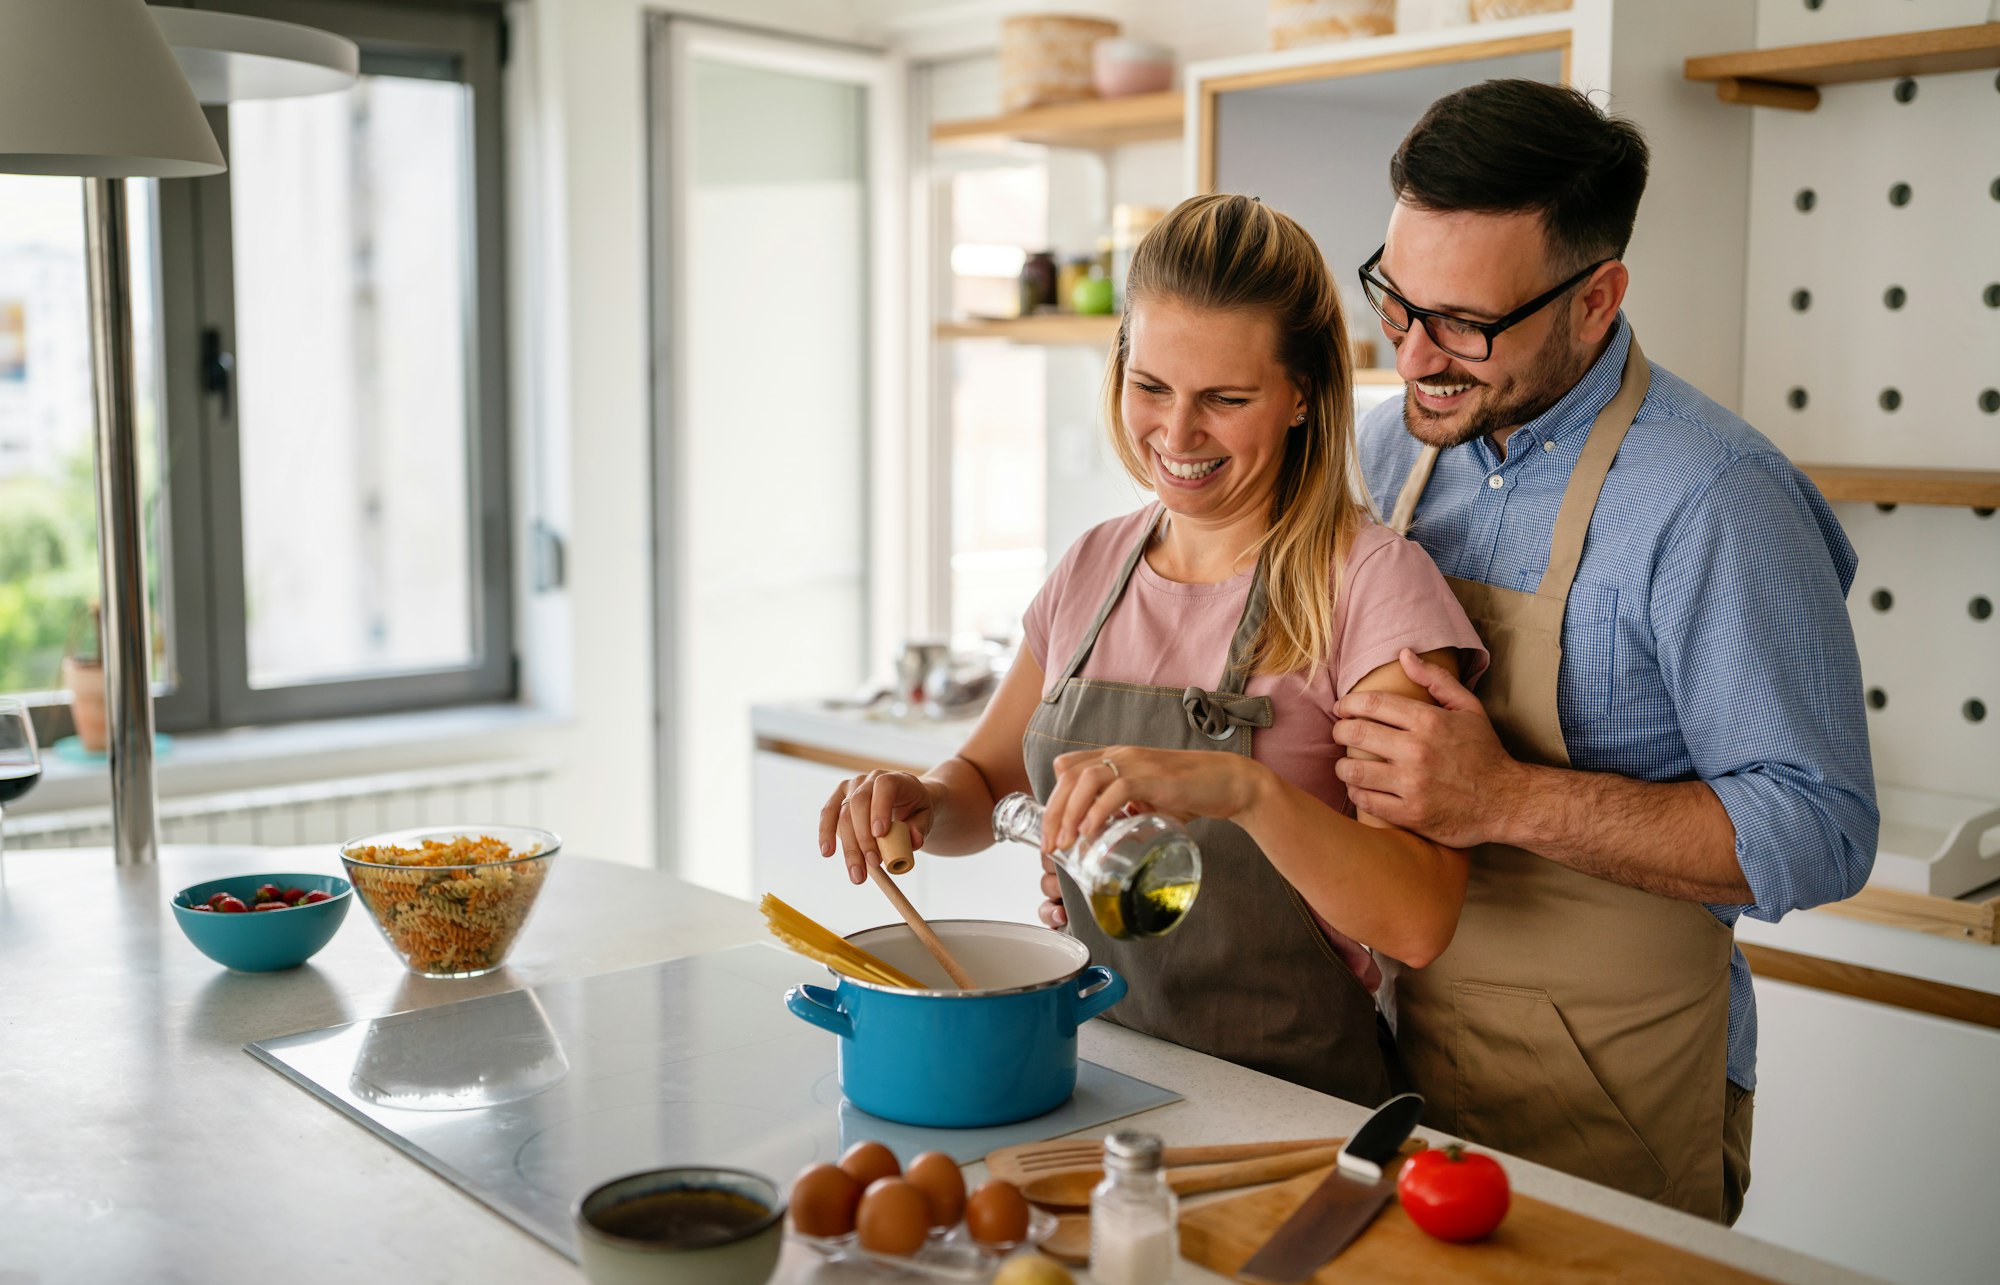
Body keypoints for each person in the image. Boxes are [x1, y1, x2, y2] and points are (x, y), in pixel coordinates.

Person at [1320, 80, 1877, 1224]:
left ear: (1595, 297)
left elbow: (1817, 829)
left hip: (1612, 1091)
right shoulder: (1384, 455)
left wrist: (1502, 797)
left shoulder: (1716, 498)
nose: (1416, 353)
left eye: (1465, 324)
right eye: (1393, 299)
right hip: (1387, 1057)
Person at [820, 193, 1487, 1106]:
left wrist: (1244, 790)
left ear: (1301, 396)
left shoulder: (1373, 585)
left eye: (1225, 399)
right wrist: (919, 802)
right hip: (1090, 1077)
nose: (1176, 436)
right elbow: (984, 786)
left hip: (1291, 1108)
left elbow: (1417, 918)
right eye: (1151, 387)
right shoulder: (1093, 565)